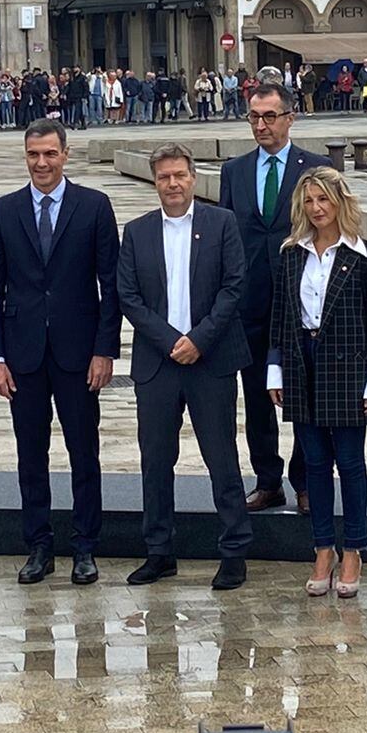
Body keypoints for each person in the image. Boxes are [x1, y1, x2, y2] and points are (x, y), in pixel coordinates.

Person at [0, 119, 119, 585]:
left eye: (50, 154)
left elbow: (111, 286)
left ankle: (85, 546)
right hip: (22, 356)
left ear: (66, 154)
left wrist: (105, 350)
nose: (42, 163)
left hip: (78, 354)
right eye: (34, 154)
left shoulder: (94, 206)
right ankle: (38, 545)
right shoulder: (4, 211)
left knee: (85, 451)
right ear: (25, 156)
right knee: (30, 454)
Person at [117, 143, 253, 590]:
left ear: (193, 178)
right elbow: (129, 296)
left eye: (179, 175)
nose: (172, 184)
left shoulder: (222, 223)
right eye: (163, 177)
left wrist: (198, 339)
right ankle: (159, 551)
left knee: (221, 458)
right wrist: (170, 340)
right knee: (156, 460)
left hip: (210, 359)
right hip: (157, 363)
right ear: (154, 182)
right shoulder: (136, 232)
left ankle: (234, 550)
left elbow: (234, 287)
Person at [268, 167, 367, 598]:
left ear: (340, 202)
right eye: (310, 202)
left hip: (349, 366)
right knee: (313, 463)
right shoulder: (291, 253)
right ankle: (322, 547)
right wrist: (275, 368)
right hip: (303, 362)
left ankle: (354, 548)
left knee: (350, 463)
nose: (317, 209)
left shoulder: (363, 254)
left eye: (324, 200)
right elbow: (281, 317)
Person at [217, 83, 332, 513]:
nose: (261, 125)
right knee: (257, 397)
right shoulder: (235, 170)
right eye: (254, 117)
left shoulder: (315, 167)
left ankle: (305, 481)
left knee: (302, 395)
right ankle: (268, 480)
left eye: (269, 116)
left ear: (290, 117)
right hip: (248, 303)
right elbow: (226, 235)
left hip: (301, 301)